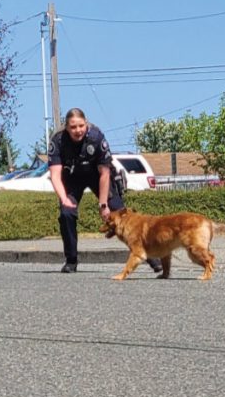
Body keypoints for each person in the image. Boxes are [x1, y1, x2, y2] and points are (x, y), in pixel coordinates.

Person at [49, 108, 162, 274]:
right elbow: (55, 175)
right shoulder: (58, 140)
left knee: (121, 213)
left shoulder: (96, 137)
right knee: (66, 214)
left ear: (86, 123)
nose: (78, 130)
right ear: (66, 127)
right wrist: (64, 198)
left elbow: (105, 173)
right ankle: (71, 260)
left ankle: (151, 256)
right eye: (73, 127)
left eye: (81, 126)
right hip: (72, 178)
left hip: (97, 175)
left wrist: (103, 204)